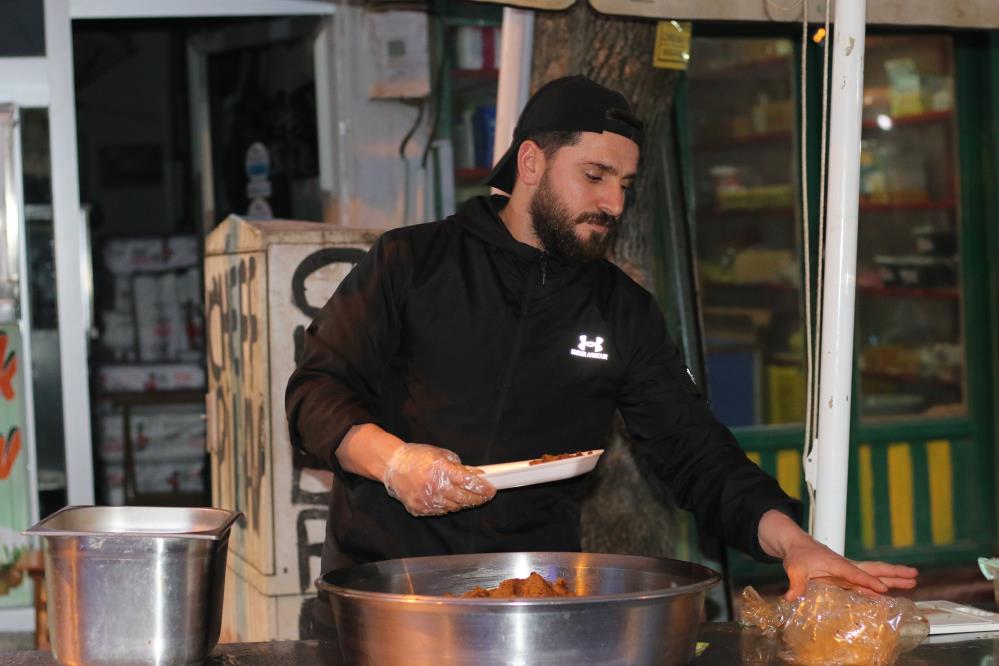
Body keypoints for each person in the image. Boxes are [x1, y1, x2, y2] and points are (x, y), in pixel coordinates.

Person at [286, 74, 917, 633]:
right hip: (385, 600)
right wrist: (397, 463)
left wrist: (792, 543)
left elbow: (694, 449)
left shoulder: (622, 311)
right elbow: (314, 394)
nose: (614, 203)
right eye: (594, 176)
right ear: (530, 162)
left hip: (530, 603)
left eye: (625, 184)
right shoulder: (410, 263)